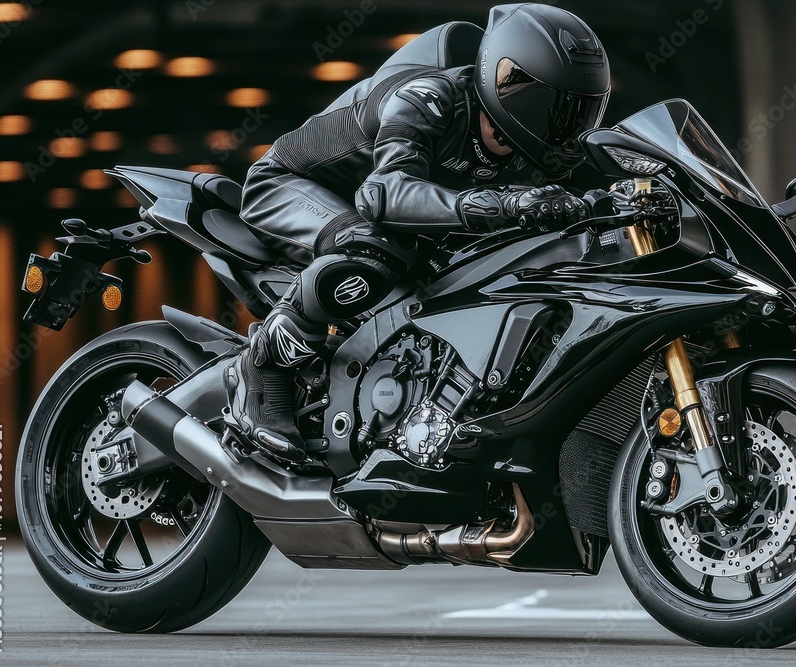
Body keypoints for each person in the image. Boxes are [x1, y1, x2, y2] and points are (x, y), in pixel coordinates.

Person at [229, 3, 611, 461]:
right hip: (290, 186)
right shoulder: (429, 96)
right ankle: (262, 368)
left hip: (398, 220)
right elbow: (383, 195)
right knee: (375, 248)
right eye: (551, 107)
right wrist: (500, 203)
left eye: (578, 113)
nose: (564, 127)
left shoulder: (533, 153)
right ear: (506, 80)